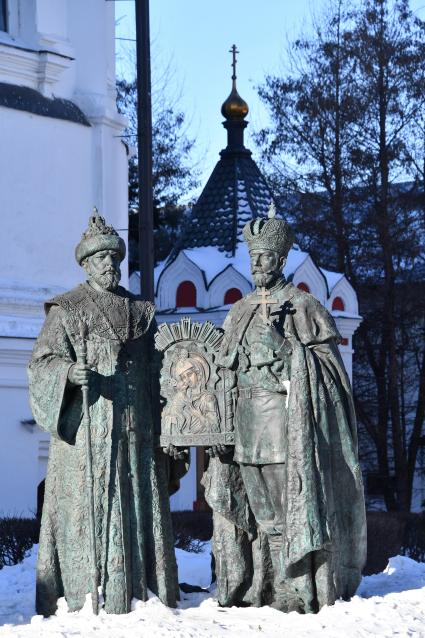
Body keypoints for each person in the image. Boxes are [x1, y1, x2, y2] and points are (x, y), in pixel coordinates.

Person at [28, 210, 183, 616]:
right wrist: (66, 371)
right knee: (90, 505)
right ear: (86, 264)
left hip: (136, 427)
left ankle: (140, 584)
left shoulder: (139, 311)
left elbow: (158, 369)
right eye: (101, 259)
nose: (110, 266)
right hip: (88, 431)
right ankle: (85, 588)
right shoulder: (67, 309)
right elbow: (41, 363)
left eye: (115, 259)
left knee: (135, 498)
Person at [214, 207, 367, 613]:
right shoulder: (240, 310)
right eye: (253, 258)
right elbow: (222, 369)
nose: (258, 265)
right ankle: (261, 579)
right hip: (247, 423)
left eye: (265, 258)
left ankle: (293, 586)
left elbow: (330, 373)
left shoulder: (304, 307)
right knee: (260, 507)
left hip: (285, 423)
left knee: (288, 505)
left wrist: (286, 350)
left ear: (281, 260)